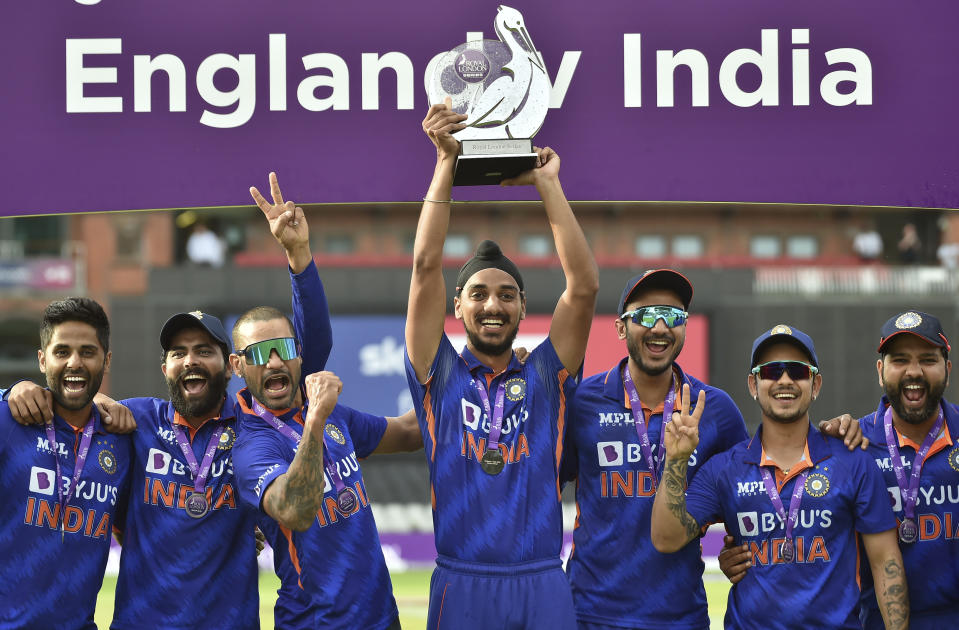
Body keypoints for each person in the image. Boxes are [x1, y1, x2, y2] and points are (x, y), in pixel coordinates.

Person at [4, 172, 334, 629]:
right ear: (165, 369)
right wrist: (17, 390)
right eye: (178, 353)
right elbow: (66, 402)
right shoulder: (133, 420)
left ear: (232, 365)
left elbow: (308, 353)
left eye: (205, 351)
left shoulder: (251, 427)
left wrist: (299, 258)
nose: (190, 361)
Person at [563, 270, 867, 629]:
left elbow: (752, 489)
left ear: (685, 328)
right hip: (590, 613)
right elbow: (541, 481)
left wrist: (736, 550)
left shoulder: (716, 409)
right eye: (646, 314)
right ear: (620, 328)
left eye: (674, 317)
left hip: (680, 616)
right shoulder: (582, 402)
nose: (660, 326)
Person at [405, 101, 599, 628]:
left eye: (507, 294)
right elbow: (425, 267)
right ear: (458, 306)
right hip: (461, 580)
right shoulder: (438, 374)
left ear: (522, 308)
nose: (493, 305)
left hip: (541, 579)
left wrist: (548, 184)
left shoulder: (544, 376)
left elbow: (582, 289)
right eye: (479, 294)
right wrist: (445, 161)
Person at [651, 325, 908, 629]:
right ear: (752, 384)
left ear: (815, 384)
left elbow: (885, 566)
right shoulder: (724, 469)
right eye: (772, 371)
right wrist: (677, 460)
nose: (784, 380)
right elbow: (666, 538)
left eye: (798, 371)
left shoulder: (854, 463)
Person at [719, 311, 958, 627]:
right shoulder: (852, 444)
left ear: (948, 369)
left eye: (928, 360)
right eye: (899, 360)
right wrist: (743, 552)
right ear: (880, 371)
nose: (914, 371)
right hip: (877, 619)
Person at [230, 307, 421, 630]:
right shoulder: (251, 445)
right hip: (316, 622)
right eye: (260, 353)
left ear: (299, 354)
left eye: (285, 349)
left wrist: (469, 375)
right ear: (238, 365)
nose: (274, 362)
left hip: (381, 618)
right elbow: (294, 510)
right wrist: (317, 417)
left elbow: (408, 433)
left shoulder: (333, 415)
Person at [0, 297, 132, 629]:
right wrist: (6, 391)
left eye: (88, 352)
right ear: (42, 360)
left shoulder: (123, 440)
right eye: (62, 352)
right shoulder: (9, 419)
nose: (74, 362)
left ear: (107, 361)